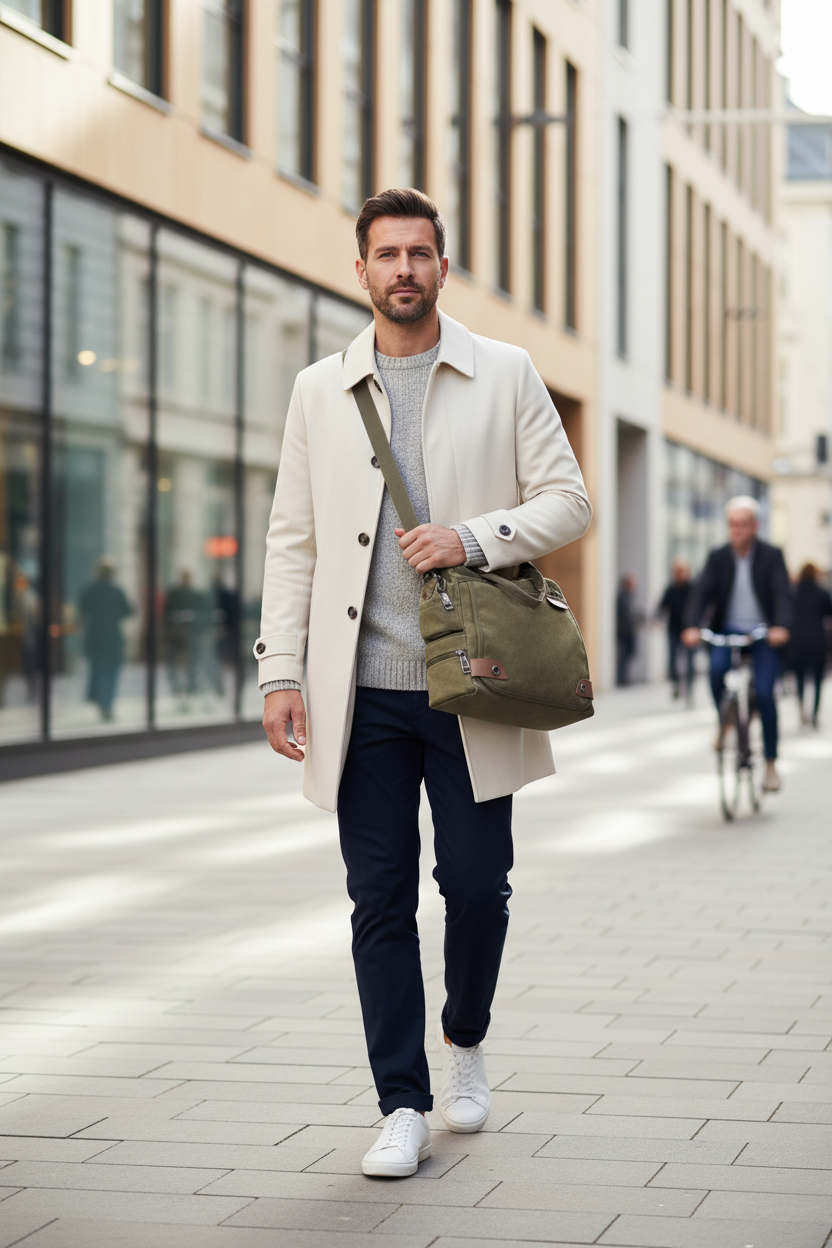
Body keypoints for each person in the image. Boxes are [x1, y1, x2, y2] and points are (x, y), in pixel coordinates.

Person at [255, 188, 590, 1178]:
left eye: (419, 253)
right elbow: (292, 543)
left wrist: (474, 536)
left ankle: (466, 1035)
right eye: (386, 253)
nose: (403, 268)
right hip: (362, 695)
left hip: (472, 686)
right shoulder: (321, 390)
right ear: (360, 269)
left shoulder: (506, 373)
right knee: (379, 898)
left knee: (478, 889)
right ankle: (400, 1101)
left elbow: (568, 497)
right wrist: (281, 669)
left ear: (444, 267)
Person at [681, 496, 791, 792]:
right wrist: (691, 625)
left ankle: (770, 765)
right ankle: (726, 721)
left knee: (766, 694)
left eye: (743, 525)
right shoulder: (718, 556)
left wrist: (781, 626)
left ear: (755, 526)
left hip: (763, 633)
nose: (737, 531)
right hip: (728, 630)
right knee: (716, 671)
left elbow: (782, 592)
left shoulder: (771, 555)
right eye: (733, 525)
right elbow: (701, 592)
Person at [79, 556, 132, 722]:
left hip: (95, 636)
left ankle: (103, 704)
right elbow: (128, 611)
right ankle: (107, 704)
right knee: (111, 672)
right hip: (112, 636)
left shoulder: (89, 590)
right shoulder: (116, 591)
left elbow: (82, 611)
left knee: (100, 670)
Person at [788, 563, 832, 728]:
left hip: (798, 641)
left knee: (799, 679)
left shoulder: (794, 593)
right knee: (818, 681)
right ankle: (814, 714)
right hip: (817, 642)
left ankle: (801, 708)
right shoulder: (822, 593)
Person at [658, 559, 695, 702]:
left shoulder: (693, 588)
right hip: (674, 630)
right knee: (672, 662)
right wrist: (659, 619)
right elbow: (662, 607)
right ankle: (676, 684)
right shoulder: (670, 589)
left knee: (690, 663)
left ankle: (690, 691)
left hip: (689, 630)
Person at [615, 573, 638, 686]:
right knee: (622, 656)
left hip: (630, 632)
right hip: (623, 632)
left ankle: (626, 677)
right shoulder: (621, 597)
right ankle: (621, 679)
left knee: (628, 656)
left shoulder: (631, 597)